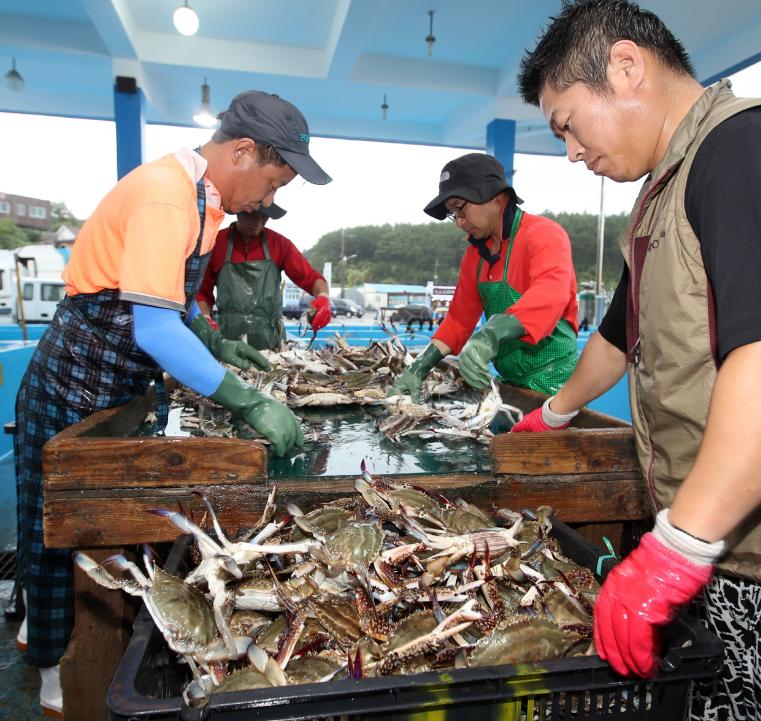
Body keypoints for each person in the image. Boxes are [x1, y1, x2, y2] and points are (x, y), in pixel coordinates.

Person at [516, 2, 761, 719]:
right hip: (721, 552)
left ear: (626, 67)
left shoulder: (754, 145)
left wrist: (673, 549)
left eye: (567, 124)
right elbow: (617, 336)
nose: (572, 152)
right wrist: (552, 413)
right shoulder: (661, 200)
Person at [14, 90, 331, 716]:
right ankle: (52, 669)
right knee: (53, 528)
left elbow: (173, 304)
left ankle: (49, 631)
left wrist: (219, 344)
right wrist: (248, 402)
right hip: (72, 384)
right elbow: (154, 329)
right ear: (244, 152)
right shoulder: (167, 194)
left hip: (120, 389)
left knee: (96, 527)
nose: (267, 200)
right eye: (273, 182)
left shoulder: (202, 202)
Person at [390, 153, 579, 401]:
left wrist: (489, 335)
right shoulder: (476, 255)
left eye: (460, 209)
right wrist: (418, 368)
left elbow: (550, 295)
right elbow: (458, 321)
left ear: (496, 198)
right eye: (452, 214)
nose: (458, 222)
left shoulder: (543, 235)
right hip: (512, 384)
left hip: (559, 385)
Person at [196, 204, 331, 350]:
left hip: (271, 341)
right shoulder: (216, 243)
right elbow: (202, 292)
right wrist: (205, 318)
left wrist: (323, 296)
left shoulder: (279, 244)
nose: (258, 223)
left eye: (264, 217)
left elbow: (310, 277)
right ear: (238, 212)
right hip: (227, 341)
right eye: (252, 216)